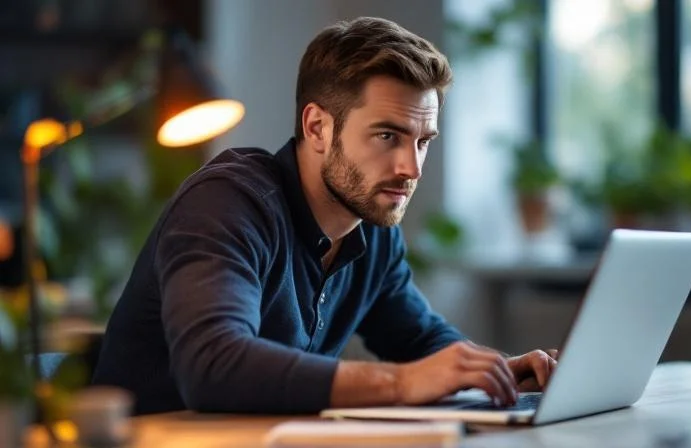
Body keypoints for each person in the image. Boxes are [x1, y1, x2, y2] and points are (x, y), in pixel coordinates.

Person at [92, 16, 558, 415]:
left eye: (423, 141)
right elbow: (213, 365)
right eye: (387, 136)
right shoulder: (228, 204)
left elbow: (420, 340)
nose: (410, 168)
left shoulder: (371, 228)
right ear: (317, 127)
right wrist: (401, 384)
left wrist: (498, 370)